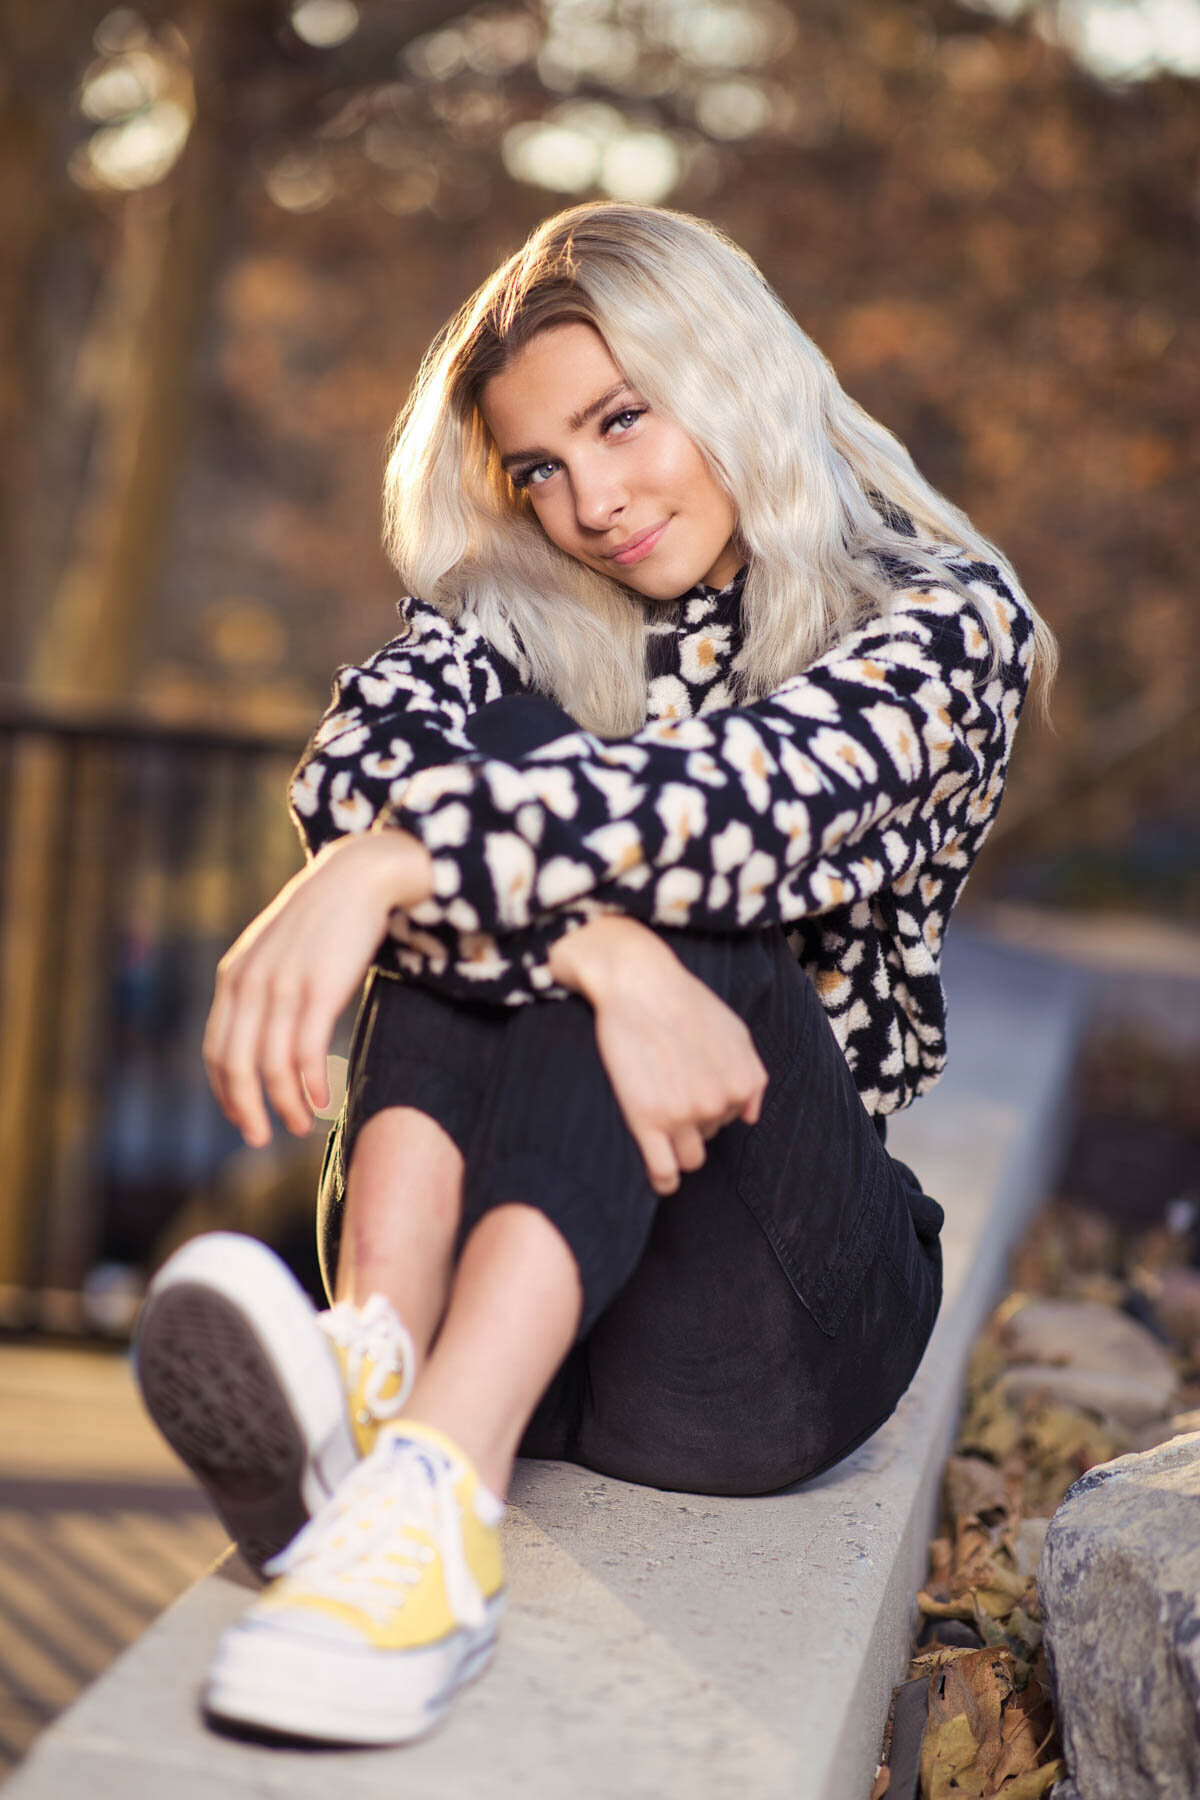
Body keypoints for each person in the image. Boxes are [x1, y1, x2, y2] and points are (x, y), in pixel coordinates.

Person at [133, 201, 1054, 1748]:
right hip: (558, 1312)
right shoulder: (525, 620)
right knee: (559, 857)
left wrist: (400, 863)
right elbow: (361, 752)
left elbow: (747, 815)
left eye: (622, 421)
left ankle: (429, 1511)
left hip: (780, 1320)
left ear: (731, 371)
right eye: (540, 470)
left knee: (654, 865)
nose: (591, 502)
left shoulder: (943, 619)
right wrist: (579, 941)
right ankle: (379, 1364)